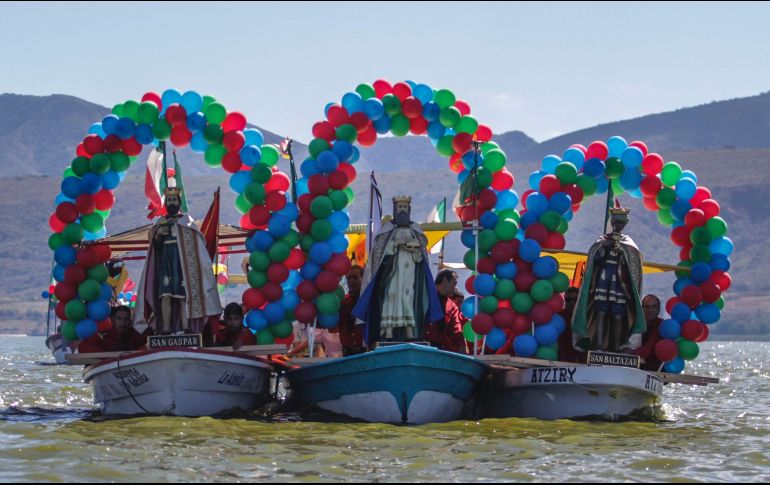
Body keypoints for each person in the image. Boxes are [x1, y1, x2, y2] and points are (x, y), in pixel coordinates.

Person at [353, 195, 443, 345]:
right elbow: (378, 255)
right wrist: (394, 245)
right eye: (399, 207)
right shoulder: (387, 230)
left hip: (410, 272)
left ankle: (410, 331)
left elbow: (422, 257)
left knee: (408, 299)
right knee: (391, 297)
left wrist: (414, 248)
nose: (402, 210)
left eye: (404, 207)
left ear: (409, 210)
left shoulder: (416, 230)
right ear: (395, 210)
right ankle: (388, 331)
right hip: (391, 273)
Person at [134, 187, 222, 336]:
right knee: (165, 296)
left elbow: (196, 243)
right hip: (166, 263)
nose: (172, 202)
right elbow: (153, 248)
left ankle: (186, 326)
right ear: (166, 203)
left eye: (174, 200)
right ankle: (166, 328)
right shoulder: (160, 223)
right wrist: (158, 236)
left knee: (182, 296)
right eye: (169, 200)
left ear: (179, 202)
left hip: (182, 264)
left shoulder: (187, 222)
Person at [572, 202, 646, 353]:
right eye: (616, 222)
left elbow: (633, 262)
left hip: (619, 282)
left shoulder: (628, 242)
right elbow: (594, 258)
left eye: (621, 223)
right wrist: (603, 247)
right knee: (601, 312)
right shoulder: (603, 239)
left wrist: (623, 252)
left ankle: (618, 345)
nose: (619, 225)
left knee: (618, 314)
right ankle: (598, 345)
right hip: (604, 278)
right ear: (612, 223)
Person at [79, 305, 153, 353]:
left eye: (126, 319)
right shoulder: (104, 335)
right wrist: (104, 355)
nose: (123, 323)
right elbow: (83, 347)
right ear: (112, 320)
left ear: (130, 321)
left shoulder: (134, 334)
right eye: (119, 319)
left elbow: (147, 339)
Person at [424, 270, 466, 354]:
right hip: (420, 345)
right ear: (445, 280)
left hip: (439, 350)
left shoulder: (452, 306)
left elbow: (456, 330)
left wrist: (462, 347)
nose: (455, 288)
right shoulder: (424, 295)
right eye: (454, 283)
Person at [339, 265, 365, 355]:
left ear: (363, 278)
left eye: (355, 277)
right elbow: (332, 329)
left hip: (365, 351)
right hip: (347, 352)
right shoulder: (342, 302)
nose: (351, 281)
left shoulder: (368, 301)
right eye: (349, 278)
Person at [633, 294, 664, 371]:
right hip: (633, 367)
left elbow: (650, 348)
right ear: (642, 309)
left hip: (651, 371)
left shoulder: (662, 326)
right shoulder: (635, 324)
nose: (650, 310)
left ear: (658, 309)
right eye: (647, 307)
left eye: (654, 306)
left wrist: (630, 354)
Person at [557, 287, 584, 362]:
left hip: (582, 362)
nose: (572, 302)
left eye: (575, 299)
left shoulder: (585, 317)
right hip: (561, 360)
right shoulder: (559, 316)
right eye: (568, 300)